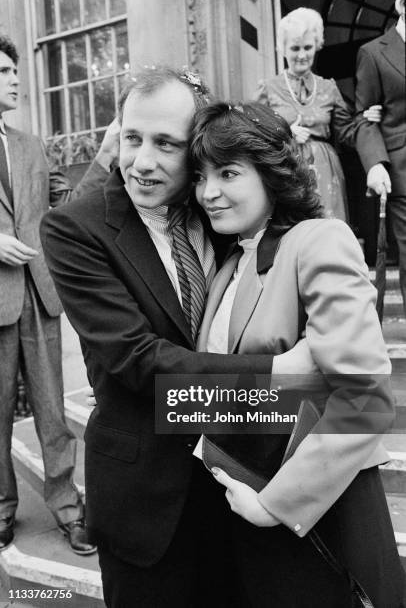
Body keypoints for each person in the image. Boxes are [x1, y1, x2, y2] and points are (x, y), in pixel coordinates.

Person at [40, 66, 316, 607]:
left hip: (237, 489)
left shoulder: (221, 208)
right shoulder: (75, 228)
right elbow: (138, 362)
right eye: (131, 137)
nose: (142, 162)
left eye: (166, 144)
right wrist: (282, 387)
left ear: (197, 151)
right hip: (146, 502)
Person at [190, 101, 405, 607]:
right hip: (246, 498)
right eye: (201, 176)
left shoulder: (316, 240)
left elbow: (366, 400)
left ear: (272, 172)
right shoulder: (227, 267)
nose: (209, 192)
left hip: (324, 506)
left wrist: (274, 505)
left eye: (228, 173)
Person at [0, 35, 95, 555]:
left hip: (39, 294)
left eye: (14, 70)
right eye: (3, 71)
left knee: (52, 410)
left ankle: (67, 508)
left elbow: (68, 206)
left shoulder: (31, 144)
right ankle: (1, 509)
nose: (15, 79)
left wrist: (104, 162)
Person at [253, 7, 381, 222]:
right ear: (282, 49)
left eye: (307, 47)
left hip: (325, 171)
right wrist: (285, 132)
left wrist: (365, 118)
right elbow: (252, 132)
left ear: (317, 46)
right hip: (285, 168)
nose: (302, 55)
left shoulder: (328, 87)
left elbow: (347, 133)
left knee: (326, 229)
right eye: (294, 48)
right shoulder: (268, 88)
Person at [355, 0, 406, 317]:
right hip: (403, 173)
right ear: (402, 4)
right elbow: (363, 118)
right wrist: (375, 162)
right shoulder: (373, 53)